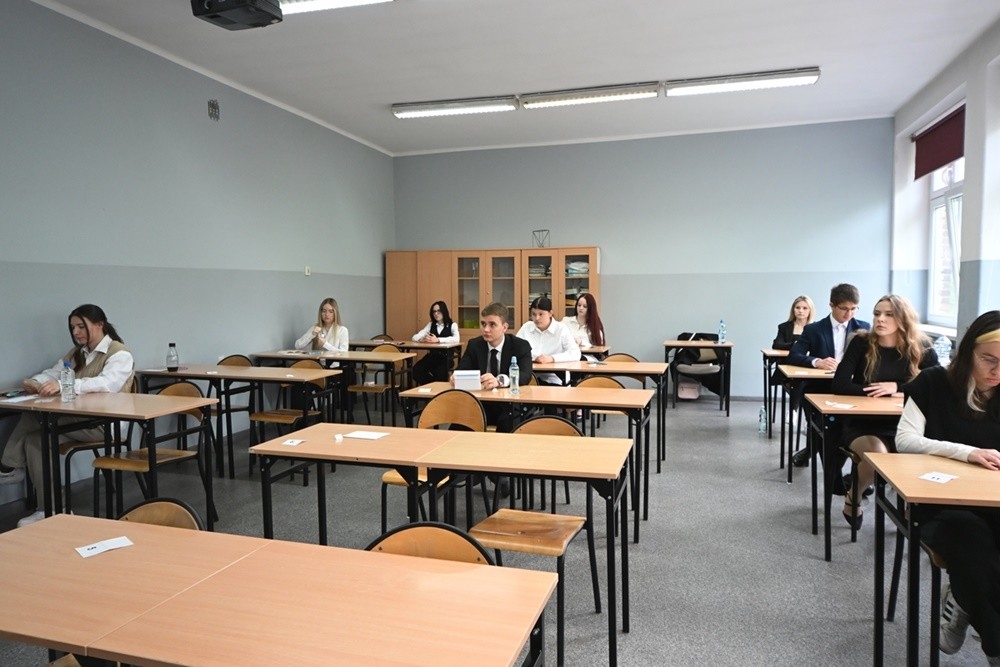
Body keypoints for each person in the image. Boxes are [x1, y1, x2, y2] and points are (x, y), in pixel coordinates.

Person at [894, 310, 1000, 665]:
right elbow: (905, 440)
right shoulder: (933, 382)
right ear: (968, 351)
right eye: (989, 359)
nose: (997, 371)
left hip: (993, 501)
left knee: (982, 560)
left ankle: (962, 598)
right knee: (973, 543)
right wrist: (967, 453)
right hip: (938, 504)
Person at [0, 304, 134, 527]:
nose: (76, 332)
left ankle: (7, 466)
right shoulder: (78, 353)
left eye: (81, 326)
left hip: (104, 424)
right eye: (72, 328)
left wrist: (64, 385)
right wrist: (36, 382)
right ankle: (53, 509)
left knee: (33, 418)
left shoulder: (120, 354)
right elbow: (54, 372)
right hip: (80, 419)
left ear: (100, 324)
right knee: (36, 440)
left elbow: (107, 384)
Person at [831, 294, 938, 527]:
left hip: (907, 425)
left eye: (889, 314)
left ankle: (913, 507)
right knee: (877, 455)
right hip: (863, 424)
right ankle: (854, 496)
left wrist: (897, 388)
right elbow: (839, 384)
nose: (880, 319)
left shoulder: (923, 348)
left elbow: (937, 388)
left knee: (924, 456)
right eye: (877, 313)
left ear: (903, 318)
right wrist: (879, 391)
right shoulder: (861, 342)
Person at [788, 283, 871, 467]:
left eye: (854, 309)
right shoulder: (814, 329)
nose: (849, 314)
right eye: (844, 309)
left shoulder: (864, 329)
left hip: (851, 388)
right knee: (820, 425)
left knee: (847, 427)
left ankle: (814, 452)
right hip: (819, 387)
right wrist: (817, 362)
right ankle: (830, 470)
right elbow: (794, 355)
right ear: (832, 305)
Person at [452, 302, 532, 431]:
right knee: (458, 427)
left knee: (507, 426)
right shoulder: (474, 345)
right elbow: (462, 369)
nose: (486, 329)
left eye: (492, 325)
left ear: (505, 327)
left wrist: (499, 381)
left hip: (509, 403)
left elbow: (525, 375)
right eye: (483, 324)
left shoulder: (520, 346)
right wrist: (456, 377)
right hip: (481, 402)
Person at [516, 296, 580, 385]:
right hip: (529, 376)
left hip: (553, 377)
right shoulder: (526, 327)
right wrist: (533, 358)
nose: (537, 318)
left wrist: (552, 358)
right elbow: (515, 350)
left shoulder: (561, 329)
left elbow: (575, 353)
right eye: (533, 314)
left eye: (541, 314)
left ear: (550, 313)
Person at [410, 300, 459, 385]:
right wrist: (421, 339)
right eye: (434, 312)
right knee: (416, 370)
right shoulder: (430, 325)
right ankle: (432, 384)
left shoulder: (453, 325)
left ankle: (437, 388)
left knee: (440, 373)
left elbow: (456, 339)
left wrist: (438, 340)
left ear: (444, 311)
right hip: (432, 357)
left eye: (439, 311)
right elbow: (414, 337)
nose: (436, 314)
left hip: (446, 358)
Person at [562, 293, 606, 361]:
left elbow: (598, 348)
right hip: (568, 356)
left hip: (587, 358)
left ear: (590, 309)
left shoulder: (594, 327)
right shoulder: (566, 321)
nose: (581, 308)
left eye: (585, 306)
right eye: (579, 305)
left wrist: (581, 342)